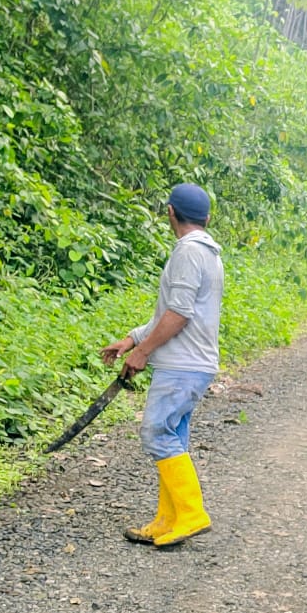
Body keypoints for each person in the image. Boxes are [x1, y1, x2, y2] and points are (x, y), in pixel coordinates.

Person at [102, 183, 223, 548]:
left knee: (156, 432)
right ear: (207, 217)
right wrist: (132, 340)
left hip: (182, 364)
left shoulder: (188, 252)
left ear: (170, 212)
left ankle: (191, 514)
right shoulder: (208, 252)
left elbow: (179, 314)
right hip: (192, 363)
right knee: (173, 438)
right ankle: (168, 519)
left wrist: (142, 353)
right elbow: (170, 313)